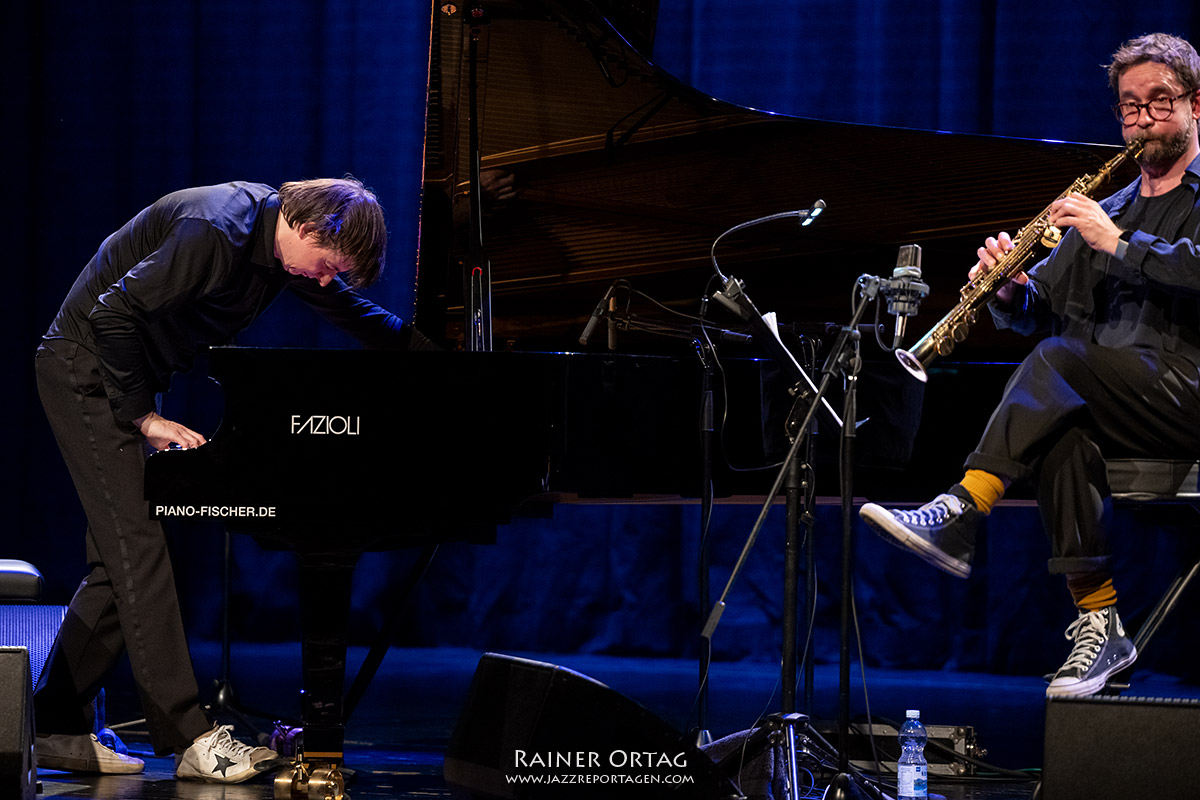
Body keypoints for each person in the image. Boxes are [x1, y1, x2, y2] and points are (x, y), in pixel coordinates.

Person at [33, 177, 435, 783]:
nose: (327, 280)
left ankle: (52, 722)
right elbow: (112, 312)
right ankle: (190, 738)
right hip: (84, 370)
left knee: (119, 561)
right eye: (329, 265)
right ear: (308, 228)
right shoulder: (217, 228)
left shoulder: (282, 251)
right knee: (139, 546)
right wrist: (144, 417)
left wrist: (451, 366)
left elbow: (355, 313)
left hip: (120, 375)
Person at [860, 32, 1200, 698]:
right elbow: (1044, 310)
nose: (1142, 119)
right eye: (1130, 107)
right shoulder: (1110, 207)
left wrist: (1120, 244)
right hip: (1118, 402)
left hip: (1188, 397)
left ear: (1195, 103)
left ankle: (962, 508)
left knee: (1059, 365)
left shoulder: (1131, 219)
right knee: (1059, 429)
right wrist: (1011, 291)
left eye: (1159, 101)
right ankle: (1100, 622)